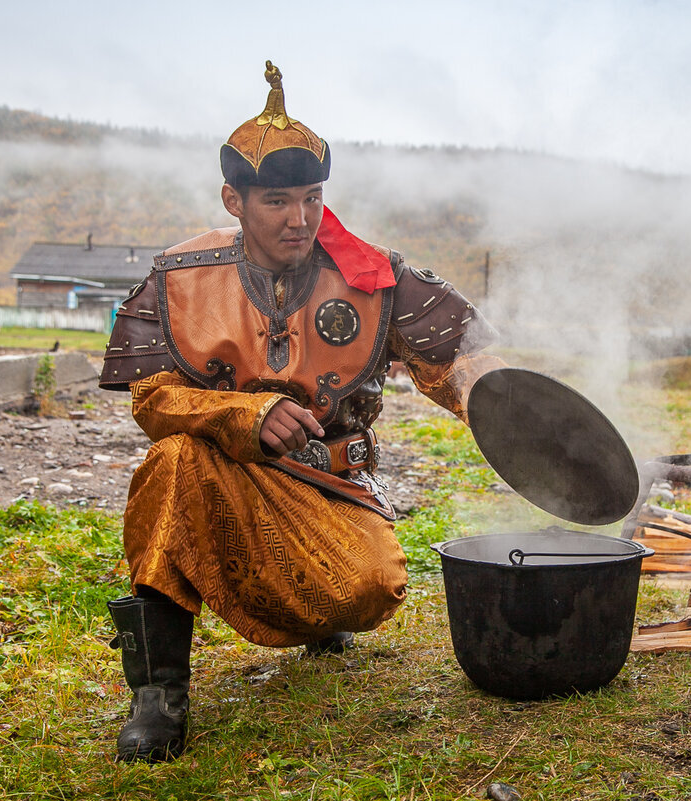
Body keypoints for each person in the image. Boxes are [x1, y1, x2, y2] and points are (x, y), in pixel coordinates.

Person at [99, 60, 504, 763]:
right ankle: (159, 691)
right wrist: (241, 414)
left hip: (333, 483)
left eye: (312, 198)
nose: (300, 219)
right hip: (228, 469)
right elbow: (152, 397)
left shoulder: (374, 276)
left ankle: (319, 614)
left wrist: (513, 412)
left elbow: (460, 362)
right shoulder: (179, 278)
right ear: (234, 200)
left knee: (372, 589)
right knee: (172, 464)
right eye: (278, 202)